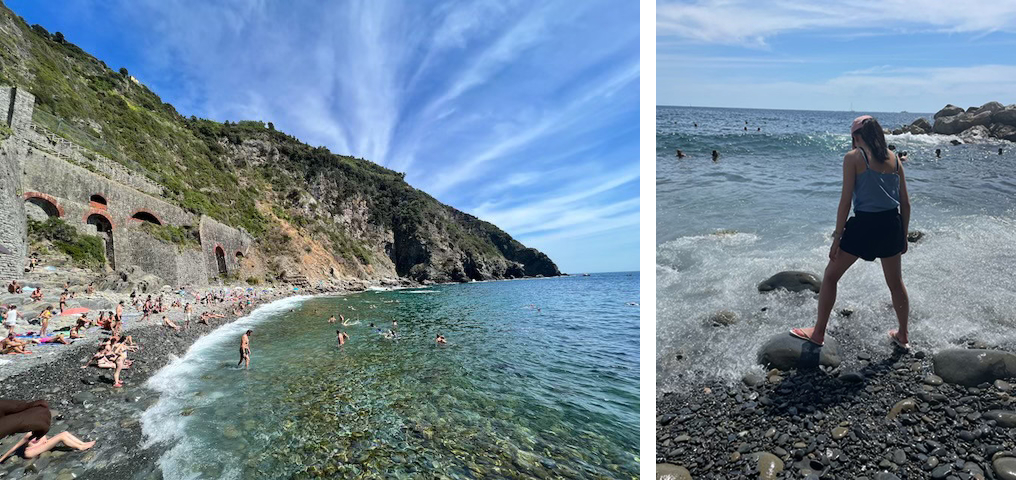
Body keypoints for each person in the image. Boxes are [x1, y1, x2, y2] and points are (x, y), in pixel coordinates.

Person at [792, 115, 911, 350]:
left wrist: (837, 238)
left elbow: (845, 201)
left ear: (856, 136)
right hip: (891, 225)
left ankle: (818, 333)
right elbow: (905, 203)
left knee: (830, 276)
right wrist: (903, 236)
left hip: (864, 225)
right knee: (896, 283)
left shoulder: (854, 157)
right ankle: (903, 334)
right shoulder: (895, 160)